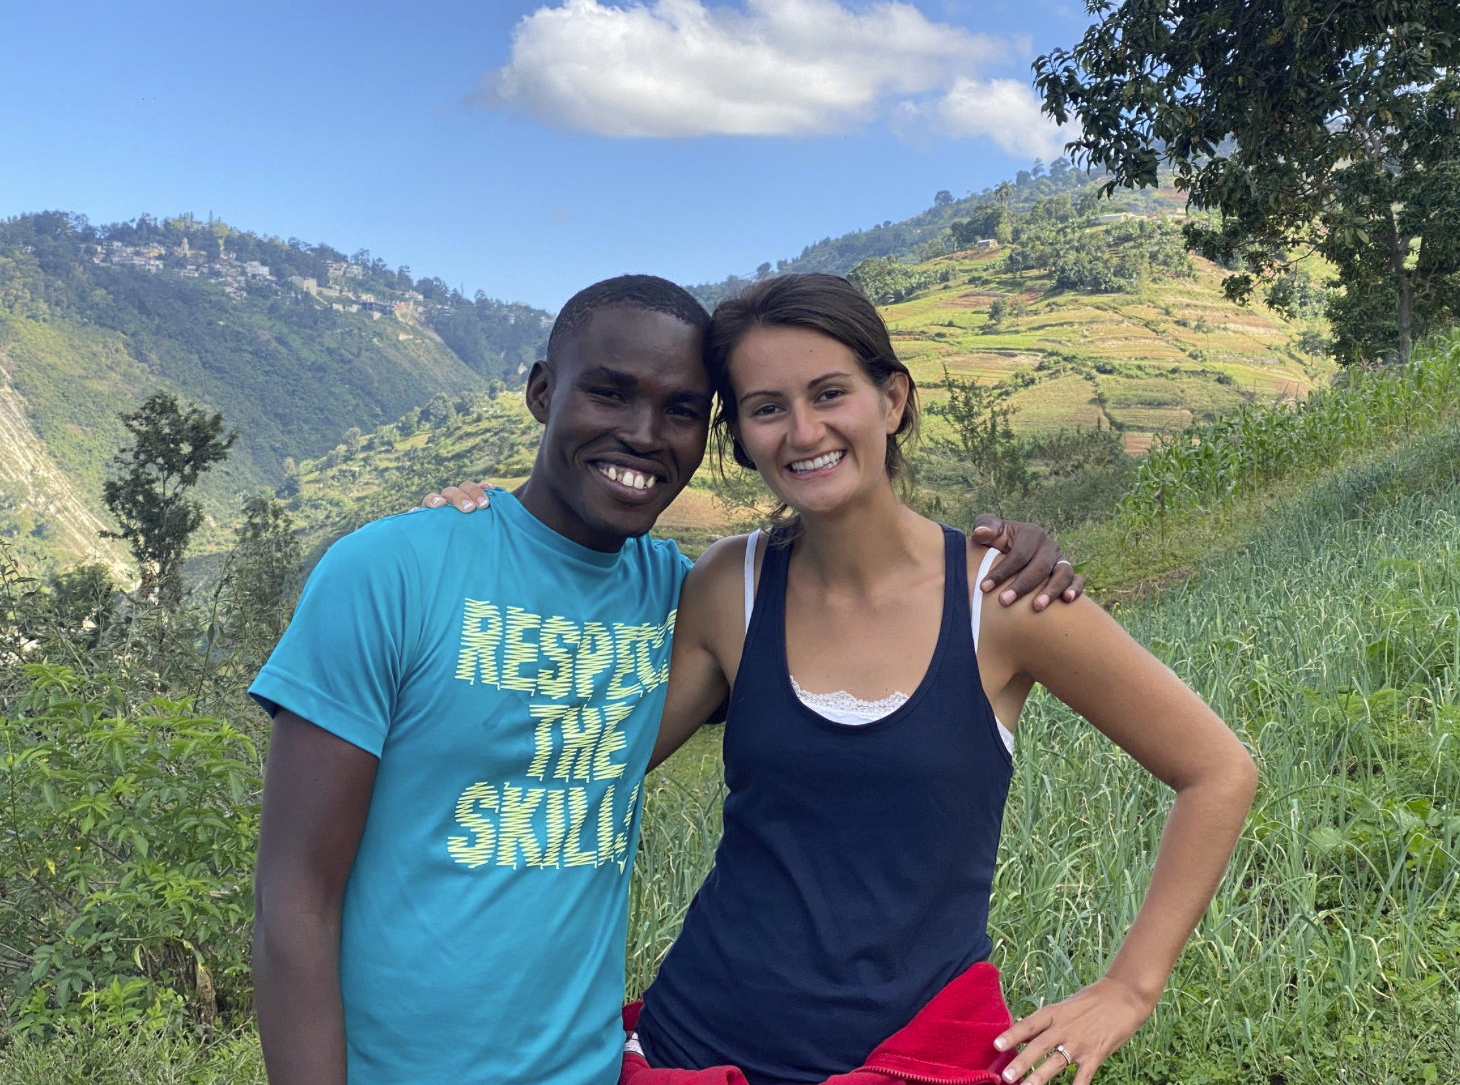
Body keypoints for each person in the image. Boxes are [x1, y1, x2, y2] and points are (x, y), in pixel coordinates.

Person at [250, 273, 1078, 1085]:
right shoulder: (388, 570)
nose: (645, 434)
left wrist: (1007, 559)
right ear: (542, 392)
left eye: (682, 410)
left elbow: (841, 652)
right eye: (608, 394)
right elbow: (296, 897)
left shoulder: (676, 594)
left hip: (593, 1066)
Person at [614, 274, 1255, 1085]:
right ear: (739, 434)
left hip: (911, 1058)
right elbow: (599, 764)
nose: (804, 430)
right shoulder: (728, 584)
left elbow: (1217, 771)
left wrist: (1129, 987)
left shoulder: (1005, 599)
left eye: (830, 392)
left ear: (892, 399)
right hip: (696, 1046)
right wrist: (485, 538)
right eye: (767, 406)